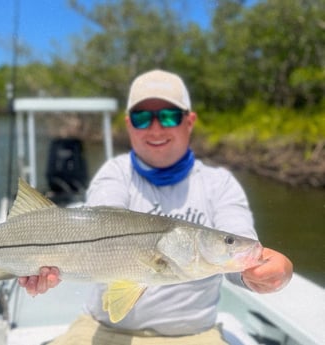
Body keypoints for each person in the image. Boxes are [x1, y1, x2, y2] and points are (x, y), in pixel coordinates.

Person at [18, 69, 293, 344]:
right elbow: (102, 221)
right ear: (129, 124)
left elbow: (236, 247)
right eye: (142, 118)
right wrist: (43, 264)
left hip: (192, 335)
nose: (156, 128)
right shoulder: (115, 173)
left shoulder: (219, 184)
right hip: (103, 328)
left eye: (169, 116)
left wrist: (265, 272)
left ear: (189, 121)